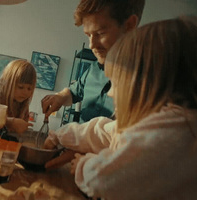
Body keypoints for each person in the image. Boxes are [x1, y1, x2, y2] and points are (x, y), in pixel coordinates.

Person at [43, 17, 197, 200]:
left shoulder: (178, 132)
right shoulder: (151, 124)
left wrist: (83, 165)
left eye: (116, 84)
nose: (110, 94)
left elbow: (112, 179)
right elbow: (101, 130)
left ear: (148, 83)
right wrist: (59, 136)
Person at [43, 0, 145, 168]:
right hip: (77, 164)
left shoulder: (151, 80)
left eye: (100, 33)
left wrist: (85, 152)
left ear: (129, 25)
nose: (92, 45)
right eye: (88, 35)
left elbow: (126, 142)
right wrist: (60, 97)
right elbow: (75, 91)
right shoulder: (94, 68)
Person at [0, 59, 36, 134]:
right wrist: (10, 122)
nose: (25, 92)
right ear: (8, 83)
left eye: (29, 88)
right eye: (20, 87)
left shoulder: (23, 103)